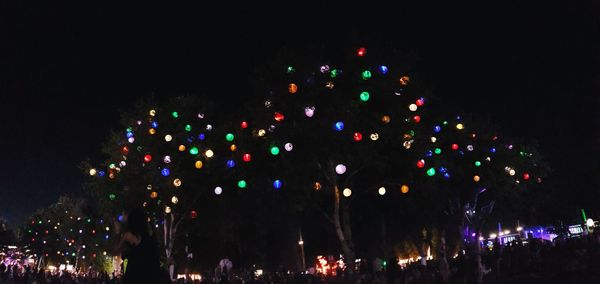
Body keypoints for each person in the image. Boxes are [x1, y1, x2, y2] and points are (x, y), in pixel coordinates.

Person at [119, 208, 164, 284]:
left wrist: (117, 233)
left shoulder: (131, 236)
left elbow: (117, 248)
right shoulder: (150, 235)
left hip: (135, 273)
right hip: (150, 274)